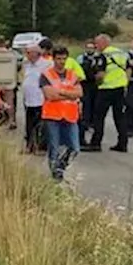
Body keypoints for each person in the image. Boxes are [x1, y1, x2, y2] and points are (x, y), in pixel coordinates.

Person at [39, 45, 83, 181]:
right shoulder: (46, 75)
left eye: (64, 59)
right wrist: (70, 94)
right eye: (59, 59)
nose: (61, 62)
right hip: (52, 116)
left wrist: (62, 92)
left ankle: (61, 167)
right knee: (54, 147)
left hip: (70, 115)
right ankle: (55, 174)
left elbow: (80, 93)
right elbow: (50, 95)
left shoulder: (72, 74)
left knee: (75, 147)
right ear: (53, 59)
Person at [90, 34, 130, 153]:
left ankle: (96, 143)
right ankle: (122, 143)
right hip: (120, 88)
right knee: (120, 117)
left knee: (98, 117)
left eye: (97, 43)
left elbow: (101, 74)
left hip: (106, 89)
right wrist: (126, 82)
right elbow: (128, 68)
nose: (96, 46)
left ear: (104, 43)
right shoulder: (121, 53)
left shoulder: (103, 55)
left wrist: (96, 81)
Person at [19, 43, 51, 155]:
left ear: (36, 54)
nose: (27, 55)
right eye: (26, 52)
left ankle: (40, 146)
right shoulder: (26, 64)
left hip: (41, 98)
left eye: (29, 53)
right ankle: (29, 145)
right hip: (28, 99)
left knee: (40, 124)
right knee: (29, 123)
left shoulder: (46, 65)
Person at [77, 40, 105, 148]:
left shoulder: (98, 59)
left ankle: (91, 131)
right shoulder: (80, 59)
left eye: (92, 48)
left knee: (94, 112)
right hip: (84, 86)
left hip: (95, 86)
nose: (90, 50)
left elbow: (100, 73)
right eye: (88, 47)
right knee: (84, 112)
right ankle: (81, 138)